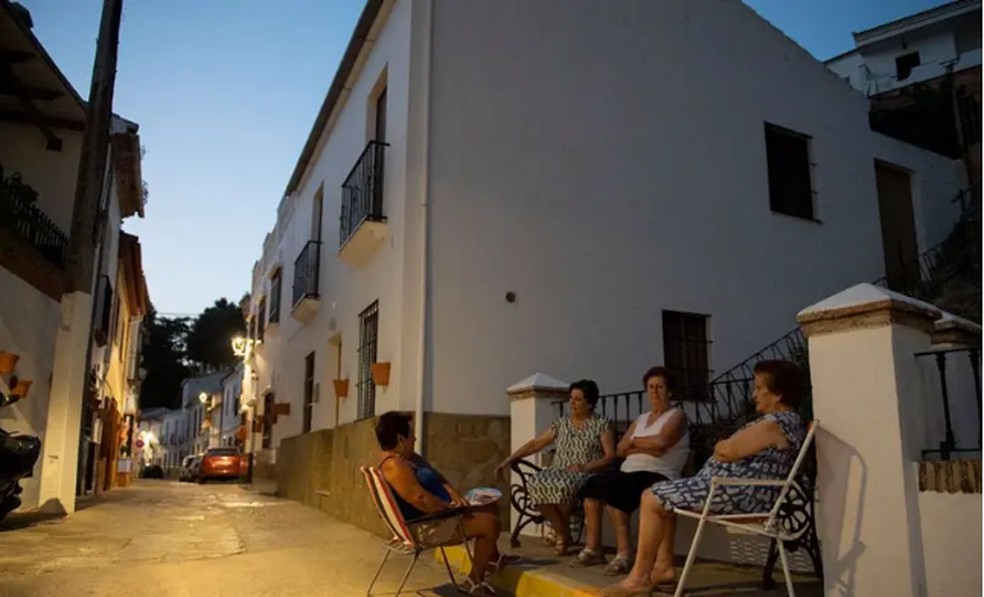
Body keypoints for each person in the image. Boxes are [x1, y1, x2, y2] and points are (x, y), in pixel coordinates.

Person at [600, 359, 807, 597]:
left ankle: (638, 578)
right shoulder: (781, 422)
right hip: (733, 489)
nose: (754, 394)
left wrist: (722, 445)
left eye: (760, 388)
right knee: (659, 496)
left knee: (652, 496)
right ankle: (663, 568)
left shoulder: (775, 424)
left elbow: (726, 450)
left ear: (779, 394)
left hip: (739, 493)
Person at [375, 411, 518, 596]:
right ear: (400, 438)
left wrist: (454, 494)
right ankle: (474, 582)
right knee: (490, 524)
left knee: (489, 505)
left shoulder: (410, 458)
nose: (415, 438)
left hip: (441, 514)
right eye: (411, 435)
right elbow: (421, 500)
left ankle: (492, 559)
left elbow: (436, 475)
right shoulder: (394, 466)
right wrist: (451, 508)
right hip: (428, 525)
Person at [571, 366, 689, 575]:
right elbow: (620, 448)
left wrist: (635, 442)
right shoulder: (642, 419)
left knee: (615, 488)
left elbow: (662, 443)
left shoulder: (677, 415)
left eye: (660, 387)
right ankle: (593, 548)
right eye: (650, 387)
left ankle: (625, 554)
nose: (654, 391)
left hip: (659, 473)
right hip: (630, 470)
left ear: (669, 391)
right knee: (592, 484)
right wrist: (646, 444)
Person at [495, 379, 616, 555]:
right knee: (535, 483)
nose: (572, 403)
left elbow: (610, 457)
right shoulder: (562, 424)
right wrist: (508, 459)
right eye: (571, 398)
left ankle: (560, 534)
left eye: (578, 399)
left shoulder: (602, 424)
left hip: (584, 473)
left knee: (562, 487)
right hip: (557, 470)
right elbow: (536, 443)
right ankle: (562, 532)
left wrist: (585, 466)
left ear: (589, 403)